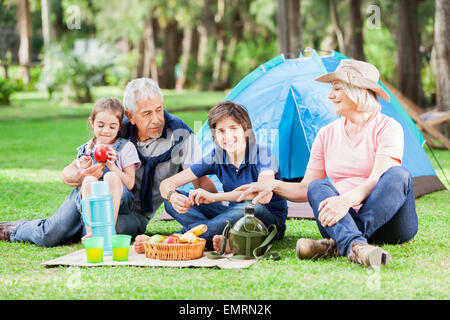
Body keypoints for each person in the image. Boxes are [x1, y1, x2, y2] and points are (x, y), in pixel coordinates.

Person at [237, 59, 418, 268]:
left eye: (337, 89)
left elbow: (377, 179)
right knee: (317, 186)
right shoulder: (326, 134)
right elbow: (306, 189)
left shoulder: (388, 127)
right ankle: (356, 246)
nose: (330, 95)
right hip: (338, 219)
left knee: (398, 175)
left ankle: (334, 245)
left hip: (390, 223)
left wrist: (344, 201)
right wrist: (273, 185)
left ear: (357, 91)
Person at [0, 78, 215, 246]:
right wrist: (83, 174)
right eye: (147, 113)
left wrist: (222, 212)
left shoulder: (181, 135)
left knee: (100, 233)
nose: (157, 119)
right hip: (94, 193)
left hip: (136, 214)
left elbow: (200, 180)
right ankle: (16, 229)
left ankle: (83, 227)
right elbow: (68, 174)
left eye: (159, 109)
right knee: (49, 236)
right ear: (130, 116)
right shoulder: (115, 127)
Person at [157, 101, 288, 251]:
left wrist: (215, 197)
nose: (228, 136)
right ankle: (223, 235)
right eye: (221, 131)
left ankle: (179, 238)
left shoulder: (263, 154)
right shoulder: (216, 156)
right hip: (231, 215)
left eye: (233, 128)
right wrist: (173, 197)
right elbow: (166, 184)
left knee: (252, 207)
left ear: (246, 130)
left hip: (267, 221)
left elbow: (263, 196)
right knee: (171, 200)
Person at [75, 97, 141, 240]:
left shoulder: (125, 147)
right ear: (92, 123)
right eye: (100, 125)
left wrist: (112, 166)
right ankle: (91, 232)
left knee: (111, 176)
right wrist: (84, 169)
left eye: (112, 127)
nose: (106, 131)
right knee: (88, 181)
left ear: (119, 127)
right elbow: (78, 183)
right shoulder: (87, 149)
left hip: (120, 200)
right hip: (94, 201)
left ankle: (110, 229)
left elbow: (130, 184)